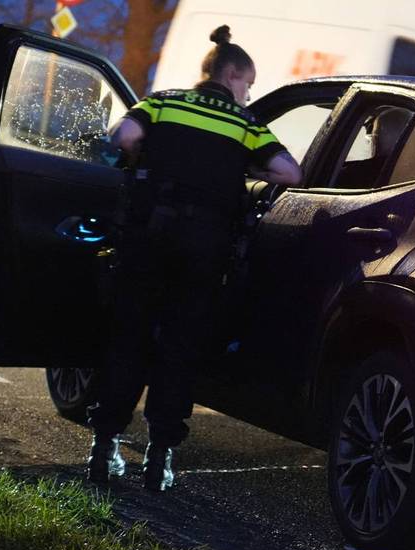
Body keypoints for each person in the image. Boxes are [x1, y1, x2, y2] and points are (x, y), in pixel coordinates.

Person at [86, 25, 303, 491]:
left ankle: (103, 448)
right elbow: (290, 171)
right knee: (178, 351)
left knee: (128, 341)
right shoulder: (245, 125)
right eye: (249, 83)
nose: (249, 92)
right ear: (231, 75)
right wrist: (245, 168)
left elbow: (122, 137)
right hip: (203, 254)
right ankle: (159, 458)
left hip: (146, 242)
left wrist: (152, 158)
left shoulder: (163, 101)